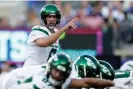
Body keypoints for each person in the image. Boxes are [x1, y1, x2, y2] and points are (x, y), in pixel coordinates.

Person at [3, 53, 114, 89]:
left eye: (61, 73)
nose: (57, 75)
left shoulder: (63, 79)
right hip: (14, 82)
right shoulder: (68, 75)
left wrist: (112, 83)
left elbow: (88, 82)